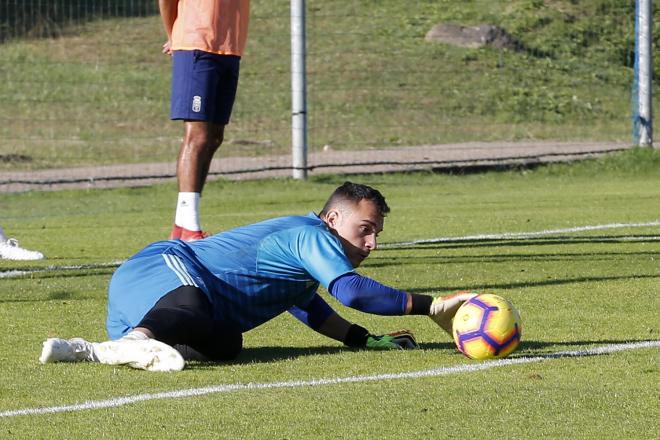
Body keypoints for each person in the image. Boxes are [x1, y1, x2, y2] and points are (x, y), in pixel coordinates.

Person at [39, 182, 476, 372]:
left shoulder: (305, 256)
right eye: (365, 230)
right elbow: (353, 293)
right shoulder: (312, 234)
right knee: (192, 300)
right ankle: (116, 346)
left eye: (377, 233)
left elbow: (310, 307)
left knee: (229, 343)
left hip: (162, 311)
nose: (371, 243)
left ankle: (119, 348)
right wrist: (432, 305)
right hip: (160, 268)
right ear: (332, 218)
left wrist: (363, 340)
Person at [158, 0, 250, 241]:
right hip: (196, 46)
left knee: (214, 137)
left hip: (231, 49)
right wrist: (174, 35)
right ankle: (189, 226)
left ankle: (180, 226)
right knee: (198, 135)